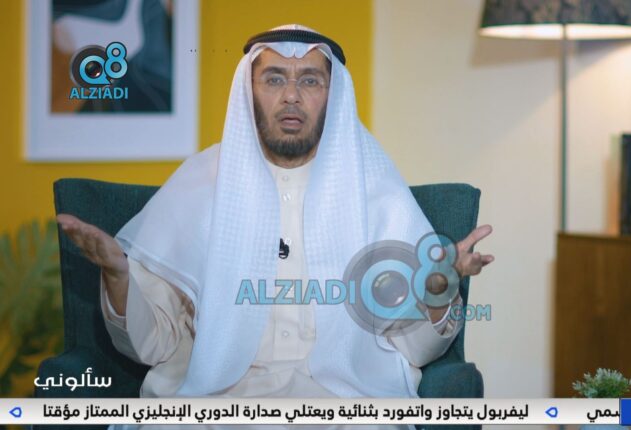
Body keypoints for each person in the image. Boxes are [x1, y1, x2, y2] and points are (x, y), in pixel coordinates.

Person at [57, 24, 494, 430]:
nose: (291, 95)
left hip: (342, 401)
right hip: (217, 401)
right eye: (273, 79)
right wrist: (119, 275)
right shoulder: (200, 183)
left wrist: (438, 288)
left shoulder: (377, 191)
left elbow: (415, 349)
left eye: (310, 80)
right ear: (249, 91)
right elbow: (154, 344)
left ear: (334, 96)